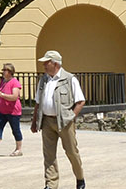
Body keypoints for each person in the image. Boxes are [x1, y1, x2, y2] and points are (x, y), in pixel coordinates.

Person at [30, 50, 86, 189]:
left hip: (65, 123)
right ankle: (51, 184)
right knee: (49, 154)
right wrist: (34, 121)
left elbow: (80, 101)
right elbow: (38, 102)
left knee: (71, 152)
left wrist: (70, 117)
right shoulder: (43, 80)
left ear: (55, 63)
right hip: (47, 121)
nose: (44, 65)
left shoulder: (70, 79)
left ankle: (80, 179)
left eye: (46, 62)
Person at [0, 63, 27, 157]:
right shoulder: (3, 82)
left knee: (15, 130)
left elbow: (14, 97)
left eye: (5, 70)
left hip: (13, 111)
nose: (3, 72)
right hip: (2, 110)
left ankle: (18, 149)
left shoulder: (15, 82)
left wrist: (1, 95)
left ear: (10, 72)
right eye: (3, 70)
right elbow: (0, 93)